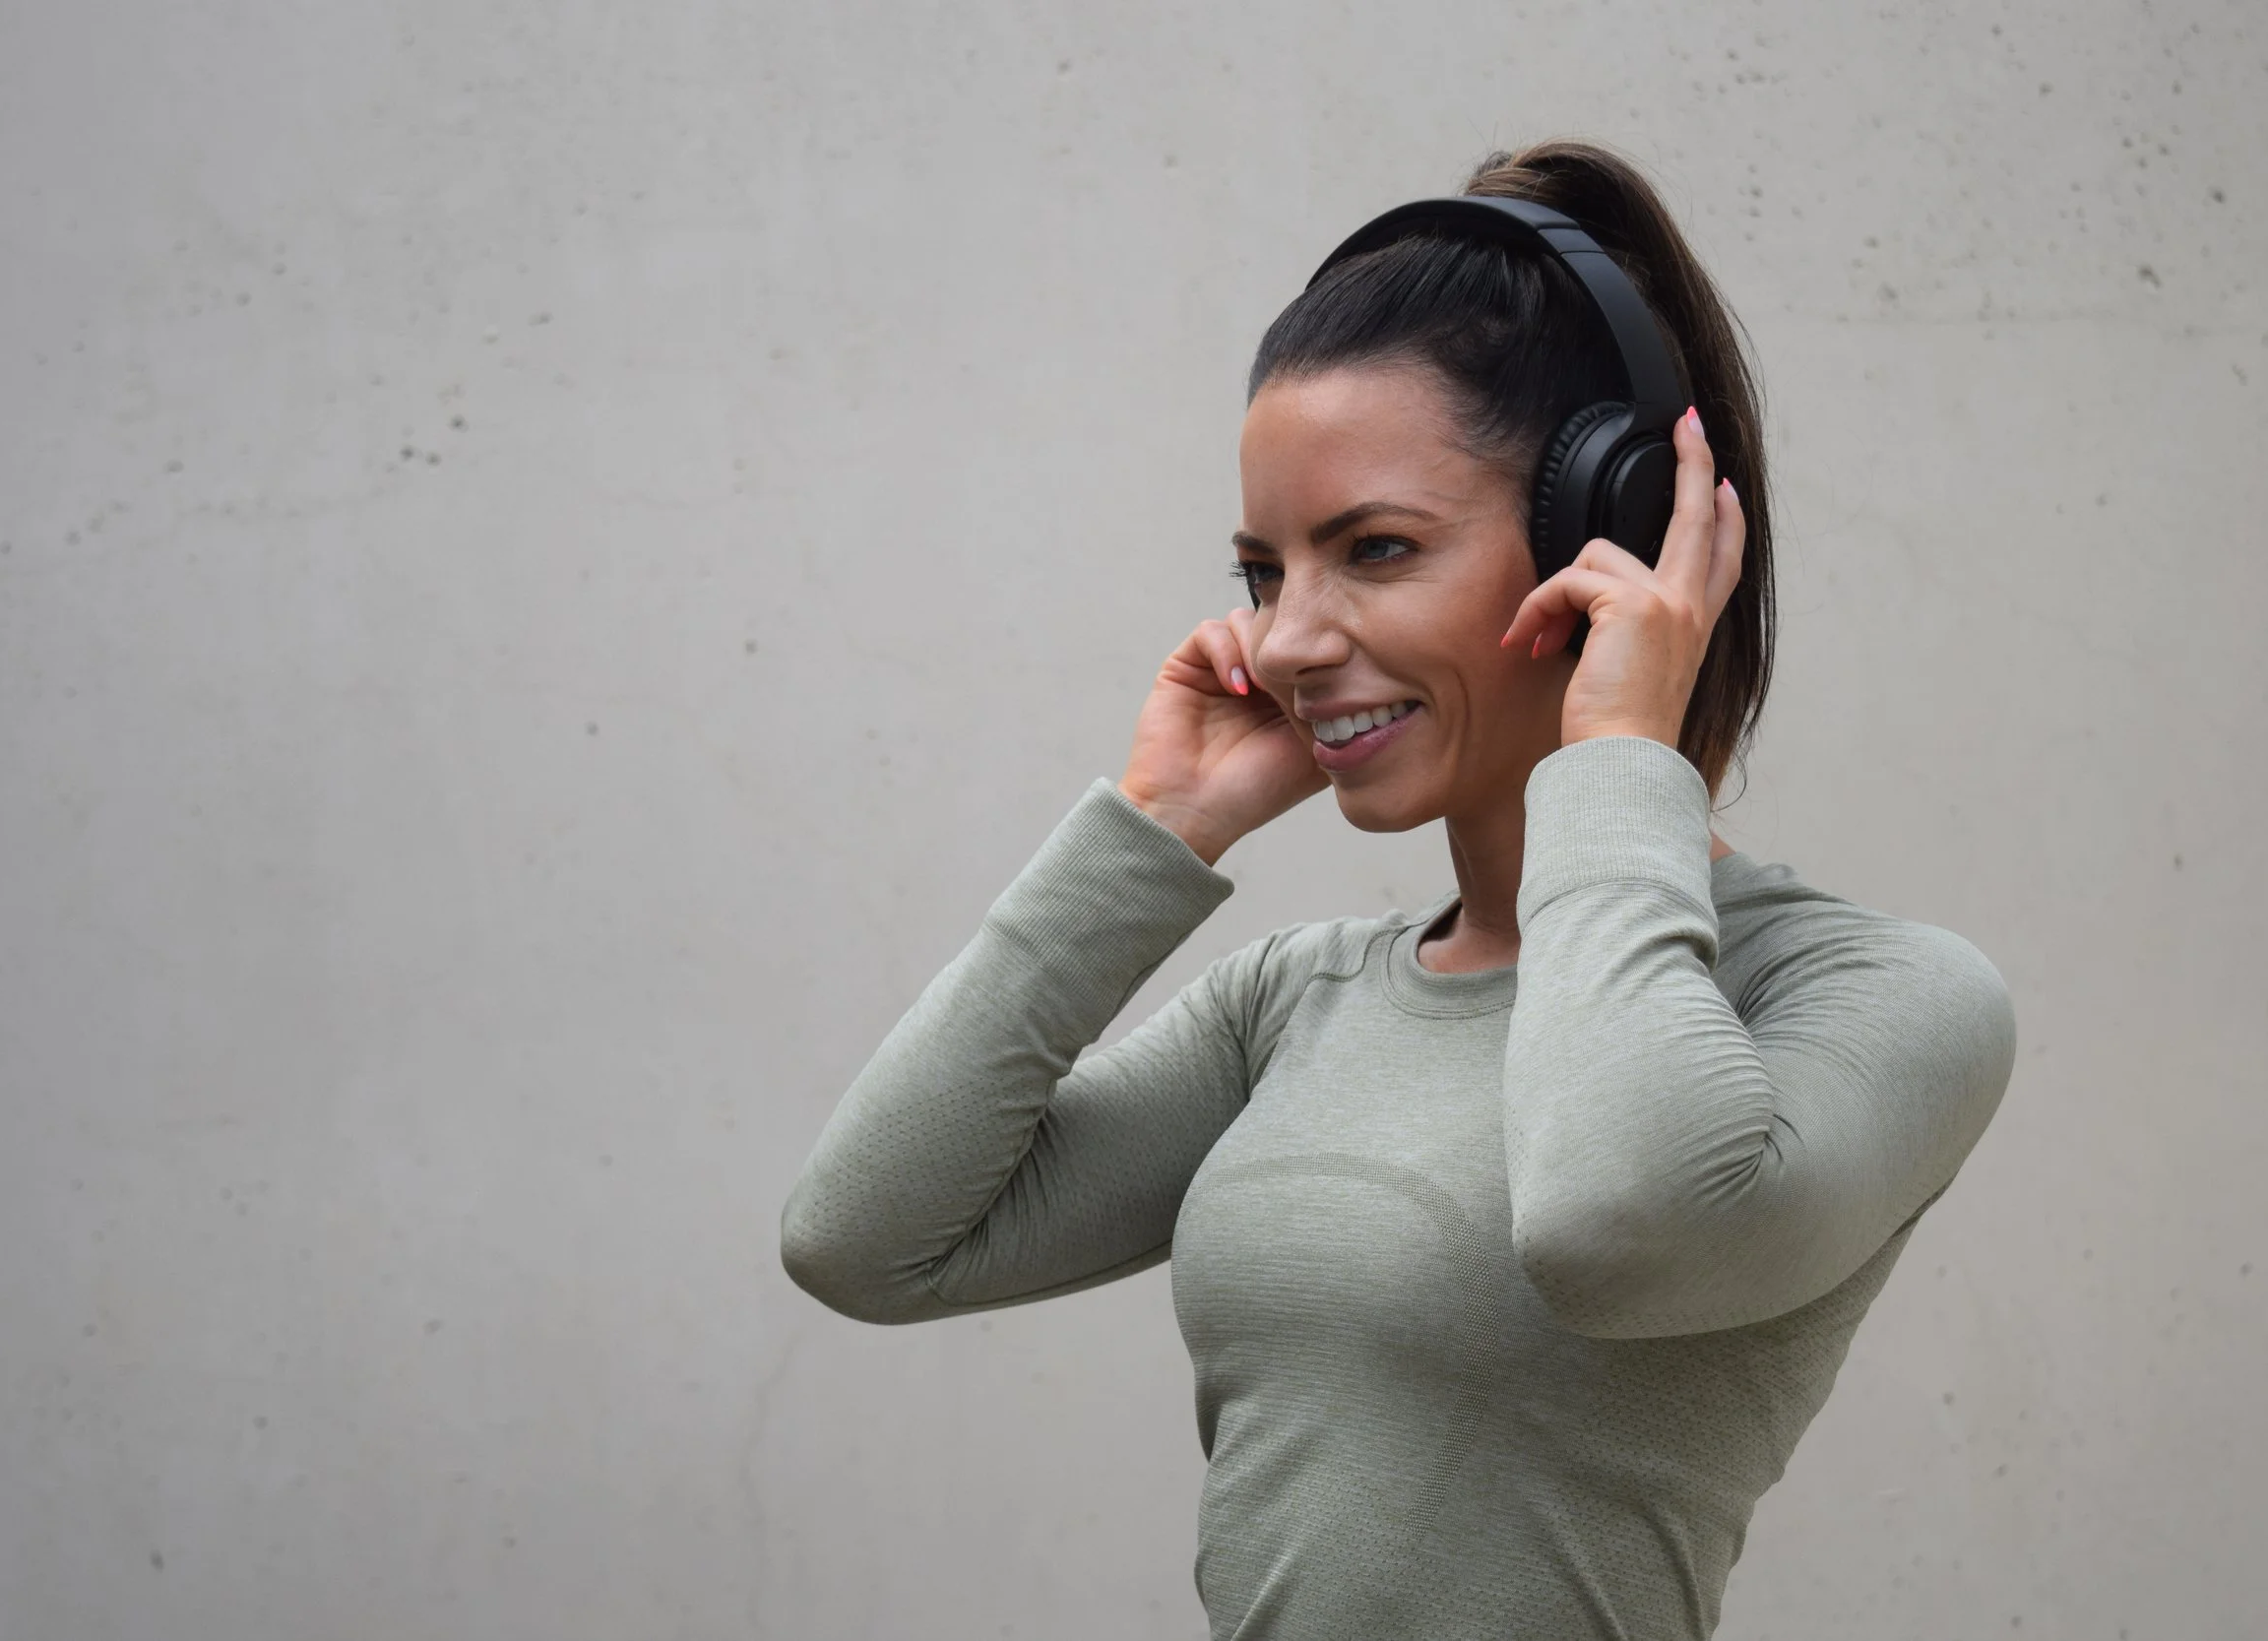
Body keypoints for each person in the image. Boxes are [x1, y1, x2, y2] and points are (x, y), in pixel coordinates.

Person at [777, 139, 2016, 1641]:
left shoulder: (1878, 996)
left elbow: (1622, 1219)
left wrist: (1622, 749)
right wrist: (1152, 831)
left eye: (1373, 549)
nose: (1291, 638)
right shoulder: (1291, 1002)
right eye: (1263, 572)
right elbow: (865, 1235)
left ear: (1601, 539)